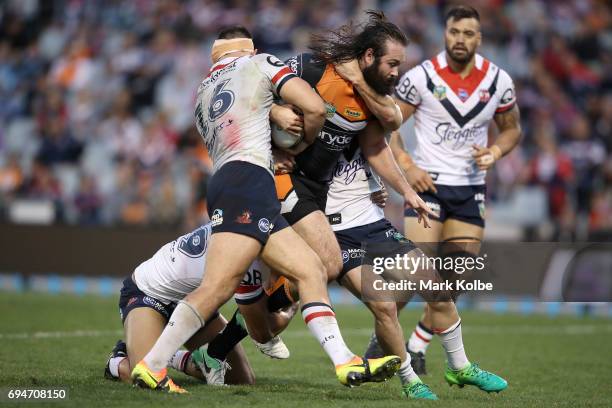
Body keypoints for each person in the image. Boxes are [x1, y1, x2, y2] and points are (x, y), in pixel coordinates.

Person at [130, 25, 401, 393]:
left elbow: (243, 120)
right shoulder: (259, 63)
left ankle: (344, 360)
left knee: (312, 270)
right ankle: (154, 365)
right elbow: (315, 106)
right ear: (249, 48)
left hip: (228, 180)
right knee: (217, 287)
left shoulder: (204, 90)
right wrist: (301, 145)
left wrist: (271, 119)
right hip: (250, 182)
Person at [367, 5, 522, 380]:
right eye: (454, 32)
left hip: (470, 190)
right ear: (445, 34)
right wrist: (408, 166)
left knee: (456, 280)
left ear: (478, 38)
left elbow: (511, 128)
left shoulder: (499, 81)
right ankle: (381, 342)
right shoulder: (420, 77)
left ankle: (417, 344)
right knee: (417, 273)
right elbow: (390, 124)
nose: (460, 40)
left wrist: (496, 151)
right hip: (428, 187)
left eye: (468, 33)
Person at [270, 10, 432, 289]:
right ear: (369, 56)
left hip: (320, 190)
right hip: (284, 179)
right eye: (392, 64)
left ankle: (260, 310)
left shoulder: (375, 95)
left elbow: (380, 141)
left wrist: (404, 191)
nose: (396, 72)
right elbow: (255, 95)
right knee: (319, 270)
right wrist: (275, 114)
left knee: (294, 290)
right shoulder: (312, 69)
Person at [103, 223, 256, 385]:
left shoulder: (249, 227)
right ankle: (117, 361)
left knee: (240, 379)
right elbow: (261, 322)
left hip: (192, 300)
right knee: (145, 379)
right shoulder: (241, 234)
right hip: (150, 294)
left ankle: (172, 357)